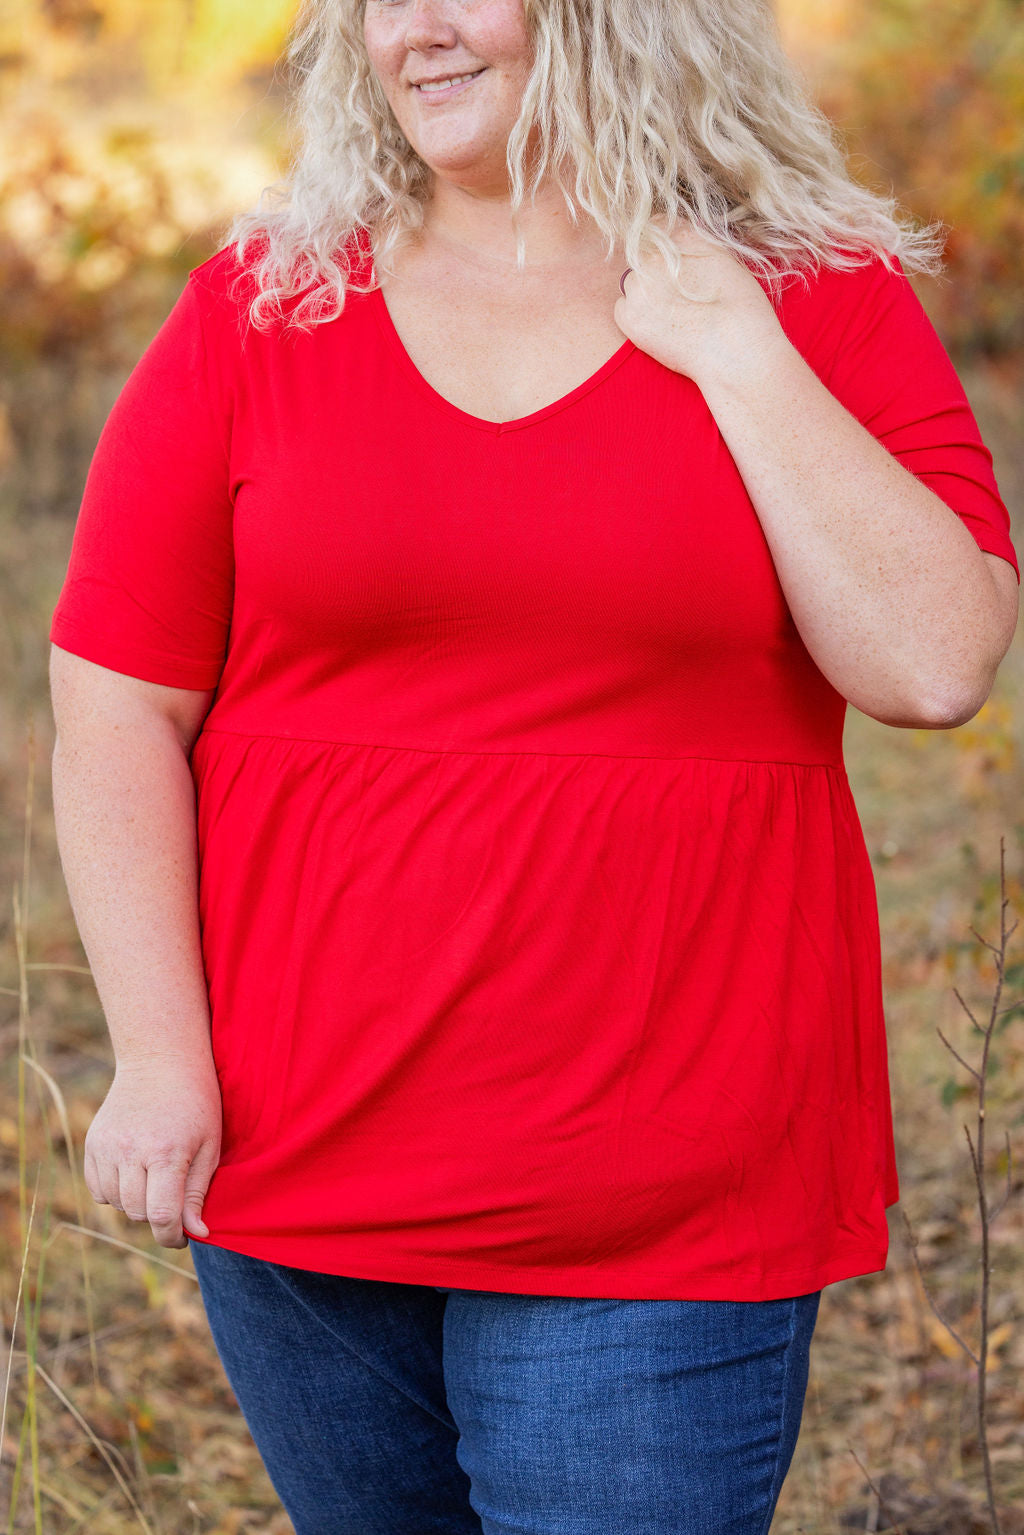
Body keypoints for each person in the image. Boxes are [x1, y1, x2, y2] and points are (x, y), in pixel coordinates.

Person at [48, 0, 1019, 1530]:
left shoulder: (806, 297)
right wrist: (161, 1062)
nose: (411, 29)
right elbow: (117, 701)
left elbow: (934, 662)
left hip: (661, 1197)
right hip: (301, 1175)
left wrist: (733, 350)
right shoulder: (270, 300)